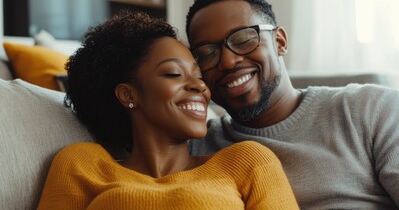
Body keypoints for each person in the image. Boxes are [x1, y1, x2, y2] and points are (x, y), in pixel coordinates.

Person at [186, 0, 399, 209]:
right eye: (206, 53)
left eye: (243, 39)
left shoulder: (368, 109)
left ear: (279, 42)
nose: (227, 61)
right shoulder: (192, 144)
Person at [37, 11, 299, 210]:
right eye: (174, 73)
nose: (200, 87)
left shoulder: (247, 160)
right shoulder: (82, 163)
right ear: (129, 95)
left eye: (199, 76)